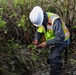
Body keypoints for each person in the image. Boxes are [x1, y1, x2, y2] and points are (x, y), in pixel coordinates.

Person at [29, 6, 70, 75]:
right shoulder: (41, 20)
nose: (40, 25)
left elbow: (60, 37)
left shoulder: (55, 20)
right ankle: (55, 65)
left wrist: (47, 43)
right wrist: (36, 39)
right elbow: (39, 31)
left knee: (53, 58)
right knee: (52, 59)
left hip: (64, 40)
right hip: (53, 40)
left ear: (43, 17)